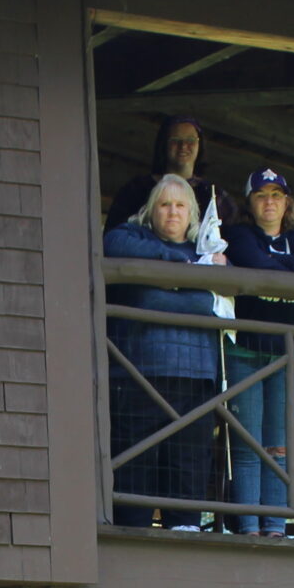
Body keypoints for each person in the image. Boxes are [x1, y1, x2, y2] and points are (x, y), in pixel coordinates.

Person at [104, 174, 225, 531]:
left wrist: (165, 281)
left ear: (192, 214)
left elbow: (208, 304)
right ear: (151, 210)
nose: (173, 211)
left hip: (197, 376)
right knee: (136, 461)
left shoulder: (208, 252)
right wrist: (178, 267)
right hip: (139, 373)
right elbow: (114, 246)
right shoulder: (133, 238)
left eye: (180, 205)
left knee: (189, 461)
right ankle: (133, 533)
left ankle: (185, 530)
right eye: (164, 204)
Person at [218, 165, 294, 537]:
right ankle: (248, 526)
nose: (269, 202)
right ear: (250, 202)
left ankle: (275, 526)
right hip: (246, 350)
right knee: (249, 445)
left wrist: (275, 266)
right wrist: (286, 270)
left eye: (276, 195)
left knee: (279, 445)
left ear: (286, 202)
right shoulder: (239, 233)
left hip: (288, 355)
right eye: (261, 195)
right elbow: (256, 262)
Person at [104, 114, 227, 236]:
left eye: (190, 140)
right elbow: (112, 236)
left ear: (200, 145)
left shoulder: (214, 195)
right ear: (164, 145)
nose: (183, 146)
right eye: (175, 140)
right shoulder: (136, 190)